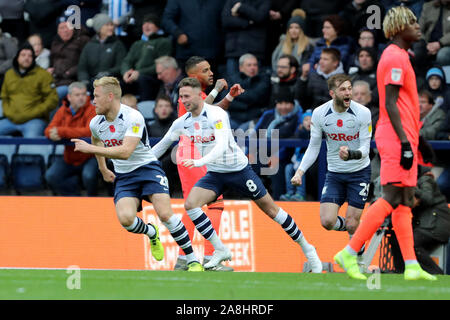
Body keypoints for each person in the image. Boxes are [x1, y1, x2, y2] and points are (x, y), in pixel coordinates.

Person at [152, 77, 323, 272]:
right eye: (181, 97)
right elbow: (162, 146)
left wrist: (199, 162)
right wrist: (139, 162)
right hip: (216, 173)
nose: (183, 100)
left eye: (187, 96)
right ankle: (220, 249)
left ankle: (308, 250)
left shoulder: (216, 114)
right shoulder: (182, 122)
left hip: (238, 170)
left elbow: (223, 144)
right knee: (191, 204)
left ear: (200, 96)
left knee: (271, 210)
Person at [334, 6, 437, 281]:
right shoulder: (393, 56)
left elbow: (403, 105)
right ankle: (349, 252)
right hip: (395, 137)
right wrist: (404, 142)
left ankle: (412, 266)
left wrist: (418, 141)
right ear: (398, 28)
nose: (417, 26)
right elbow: (389, 102)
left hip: (405, 135)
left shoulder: (401, 55)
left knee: (404, 200)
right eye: (412, 22)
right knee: (391, 197)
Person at [70, 76, 204, 272]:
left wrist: (90, 149)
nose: (93, 101)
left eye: (96, 96)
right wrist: (102, 168)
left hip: (148, 169)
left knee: (166, 213)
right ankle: (151, 232)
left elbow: (125, 152)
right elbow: (97, 141)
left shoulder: (133, 117)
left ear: (110, 97)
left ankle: (192, 260)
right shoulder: (95, 123)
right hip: (124, 176)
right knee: (126, 220)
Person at [172, 56, 243, 271]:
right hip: (194, 151)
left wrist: (228, 96)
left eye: (210, 68)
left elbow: (214, 111)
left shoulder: (198, 96)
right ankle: (212, 259)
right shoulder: (188, 97)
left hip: (192, 151)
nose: (211, 73)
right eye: (205, 70)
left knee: (192, 205)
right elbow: (200, 111)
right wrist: (217, 90)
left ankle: (184, 258)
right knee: (215, 203)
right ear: (193, 77)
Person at [291, 74, 372, 258]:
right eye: (343, 89)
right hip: (335, 173)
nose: (348, 93)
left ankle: (358, 262)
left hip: (359, 172)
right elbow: (313, 146)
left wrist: (351, 154)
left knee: (352, 222)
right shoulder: (319, 114)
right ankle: (356, 229)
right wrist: (300, 172)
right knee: (327, 222)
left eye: (349, 89)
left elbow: (366, 148)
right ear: (332, 93)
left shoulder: (363, 113)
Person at [45, 82, 99, 196]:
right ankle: (74, 197)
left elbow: (89, 132)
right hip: (69, 157)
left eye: (83, 94)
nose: (81, 98)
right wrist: (51, 134)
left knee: (89, 176)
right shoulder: (63, 110)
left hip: (91, 156)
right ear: (69, 97)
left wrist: (61, 132)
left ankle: (93, 201)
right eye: (77, 95)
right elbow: (49, 129)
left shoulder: (93, 109)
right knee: (51, 176)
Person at [0, 44, 58, 137]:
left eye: (30, 55)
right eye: (23, 55)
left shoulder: (43, 75)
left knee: (31, 145)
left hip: (34, 120)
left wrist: (35, 112)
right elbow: (4, 96)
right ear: (17, 57)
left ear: (34, 58)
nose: (26, 58)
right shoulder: (9, 74)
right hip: (10, 120)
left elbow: (52, 99)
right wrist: (8, 113)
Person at [120, 14, 172, 101]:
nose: (146, 26)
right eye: (144, 23)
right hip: (134, 78)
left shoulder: (164, 42)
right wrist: (126, 72)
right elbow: (127, 61)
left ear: (157, 27)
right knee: (118, 83)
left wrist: (139, 73)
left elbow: (162, 64)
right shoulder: (137, 44)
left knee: (143, 80)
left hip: (152, 78)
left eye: (150, 23)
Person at [410, 166, 450, 274]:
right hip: (432, 224)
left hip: (436, 225)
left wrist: (411, 188)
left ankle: (436, 272)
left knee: (411, 244)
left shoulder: (425, 179)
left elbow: (428, 198)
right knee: (405, 241)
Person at [78, 13, 127, 92]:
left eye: (111, 25)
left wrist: (108, 73)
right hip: (92, 82)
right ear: (99, 28)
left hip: (111, 82)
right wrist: (84, 81)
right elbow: (82, 68)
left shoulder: (118, 44)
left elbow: (121, 65)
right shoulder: (89, 45)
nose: (111, 27)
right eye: (107, 25)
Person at [221, 0, 271, 77]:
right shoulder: (232, 1)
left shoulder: (263, 1)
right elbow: (226, 20)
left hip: (254, 51)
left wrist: (240, 7)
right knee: (232, 84)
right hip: (234, 50)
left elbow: (259, 17)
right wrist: (248, 22)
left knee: (254, 84)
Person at [225, 53, 271, 130]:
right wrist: (247, 104)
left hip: (254, 119)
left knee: (242, 131)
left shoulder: (264, 79)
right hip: (234, 118)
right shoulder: (232, 79)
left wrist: (237, 95)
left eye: (255, 65)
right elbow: (226, 99)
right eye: (249, 65)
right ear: (241, 68)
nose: (252, 68)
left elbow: (255, 96)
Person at [48, 21, 90, 101]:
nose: (65, 30)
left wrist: (70, 72)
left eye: (68, 27)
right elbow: (51, 63)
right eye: (62, 28)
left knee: (53, 97)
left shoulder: (82, 41)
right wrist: (49, 70)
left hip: (71, 81)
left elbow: (86, 62)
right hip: (55, 80)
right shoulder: (55, 43)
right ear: (58, 31)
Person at [147, 94, 179, 196]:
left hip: (173, 159)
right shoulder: (149, 127)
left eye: (166, 106)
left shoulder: (177, 125)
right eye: (160, 106)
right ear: (155, 109)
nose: (163, 109)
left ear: (171, 109)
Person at [280, 110, 312, 201]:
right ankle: (290, 193)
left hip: (307, 163)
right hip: (296, 161)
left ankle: (300, 194)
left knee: (298, 168)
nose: (309, 122)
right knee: (288, 168)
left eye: (311, 120)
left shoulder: (316, 133)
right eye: (306, 120)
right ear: (301, 123)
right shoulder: (298, 133)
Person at [271, 9, 315, 75]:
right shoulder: (282, 43)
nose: (293, 30)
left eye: (297, 28)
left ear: (302, 30)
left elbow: (303, 67)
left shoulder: (308, 46)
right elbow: (274, 62)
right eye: (290, 28)